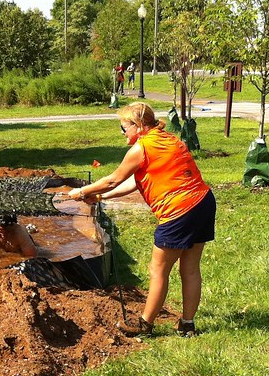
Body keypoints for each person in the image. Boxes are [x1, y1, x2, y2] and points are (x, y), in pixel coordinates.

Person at [67, 102, 215, 337]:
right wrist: (100, 196)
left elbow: (113, 179)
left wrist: (83, 191)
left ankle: (145, 324)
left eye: (124, 127)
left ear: (137, 126)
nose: (123, 132)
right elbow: (135, 182)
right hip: (203, 202)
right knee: (190, 268)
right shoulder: (168, 140)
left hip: (179, 210)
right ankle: (187, 324)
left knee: (158, 269)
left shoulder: (141, 148)